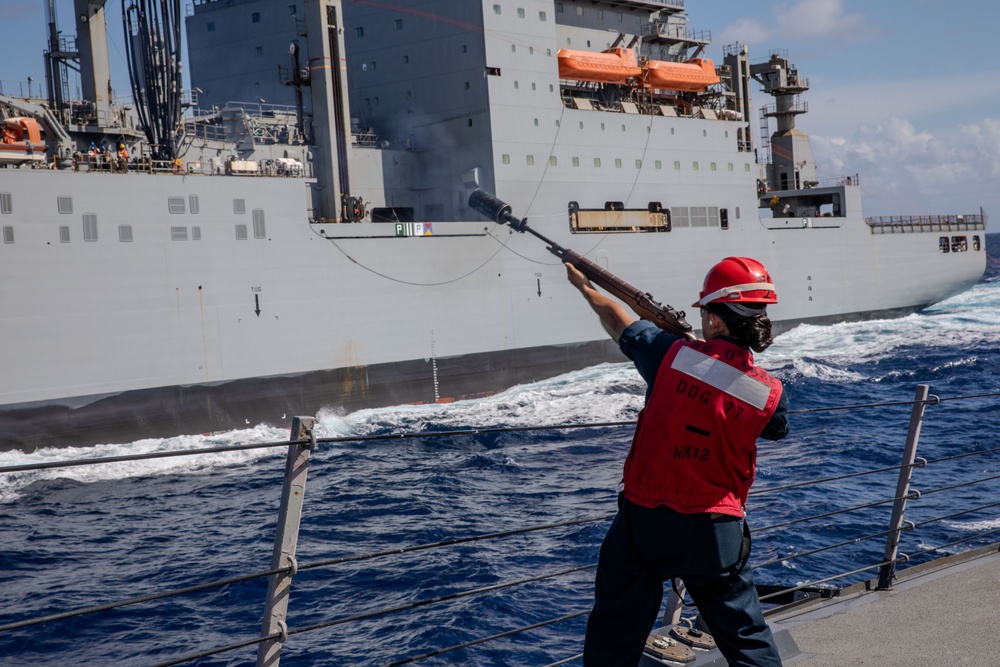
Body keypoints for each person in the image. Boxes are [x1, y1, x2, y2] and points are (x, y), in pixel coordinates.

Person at [565, 257, 789, 667]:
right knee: (747, 639)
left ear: (717, 320)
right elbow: (775, 427)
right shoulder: (769, 392)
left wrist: (584, 286)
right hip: (715, 531)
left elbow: (619, 320)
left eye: (705, 312)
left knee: (614, 636)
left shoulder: (670, 355)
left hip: (645, 522)